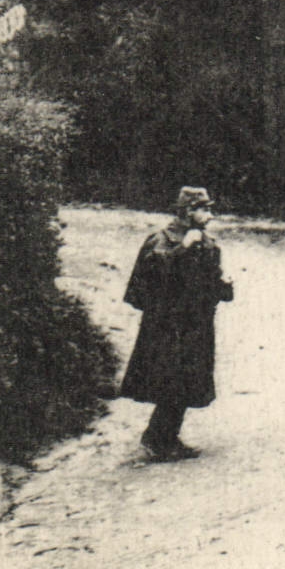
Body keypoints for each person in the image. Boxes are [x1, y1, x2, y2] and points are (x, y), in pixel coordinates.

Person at [119, 186, 234, 461]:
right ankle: (155, 439)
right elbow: (152, 277)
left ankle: (167, 437)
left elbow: (211, 285)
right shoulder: (162, 240)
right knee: (169, 380)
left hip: (196, 324)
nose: (209, 214)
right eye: (203, 209)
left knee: (188, 381)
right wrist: (183, 248)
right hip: (167, 325)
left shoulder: (209, 244)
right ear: (187, 212)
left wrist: (224, 288)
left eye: (208, 208)